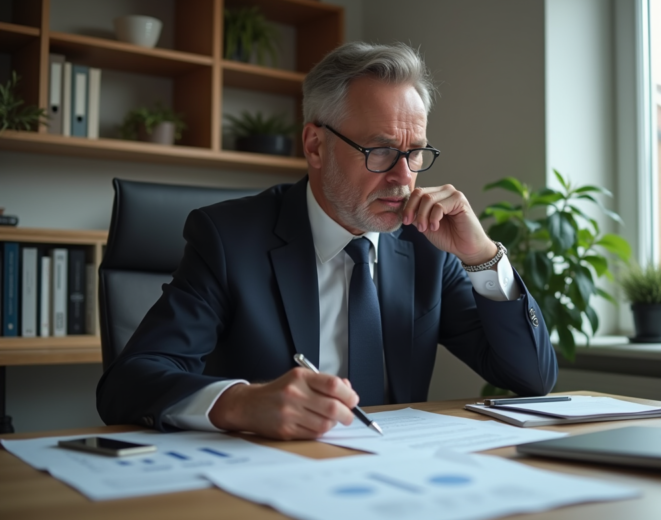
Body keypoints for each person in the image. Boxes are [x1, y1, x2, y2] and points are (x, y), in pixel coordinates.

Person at [96, 42, 557, 440]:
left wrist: (482, 258)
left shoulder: (427, 246)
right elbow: (127, 383)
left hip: (399, 476)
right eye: (380, 151)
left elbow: (533, 378)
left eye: (415, 152)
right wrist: (241, 403)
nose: (403, 176)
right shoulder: (228, 239)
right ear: (315, 146)